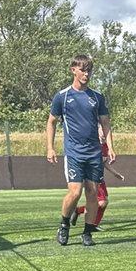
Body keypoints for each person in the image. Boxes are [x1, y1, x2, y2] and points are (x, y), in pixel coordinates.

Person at [47, 55, 115, 247]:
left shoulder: (97, 97)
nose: (86, 74)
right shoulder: (62, 96)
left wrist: (110, 147)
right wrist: (50, 147)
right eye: (83, 70)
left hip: (94, 153)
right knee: (75, 192)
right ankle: (64, 224)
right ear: (73, 70)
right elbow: (51, 122)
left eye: (89, 71)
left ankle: (87, 232)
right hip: (74, 153)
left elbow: (105, 123)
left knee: (92, 193)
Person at [71, 133, 110, 228]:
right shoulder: (93, 144)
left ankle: (92, 223)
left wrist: (116, 173)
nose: (104, 133)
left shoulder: (105, 146)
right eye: (102, 131)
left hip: (100, 178)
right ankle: (89, 222)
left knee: (104, 202)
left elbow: (104, 163)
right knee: (102, 202)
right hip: (93, 177)